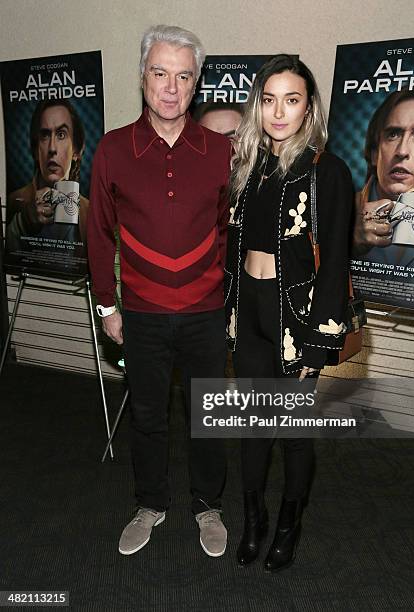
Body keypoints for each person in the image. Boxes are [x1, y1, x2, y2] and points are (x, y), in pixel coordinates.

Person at [87, 25, 231, 558]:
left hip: (206, 312)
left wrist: (227, 304)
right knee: (147, 416)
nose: (171, 88)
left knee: (206, 415)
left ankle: (208, 505)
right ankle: (149, 503)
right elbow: (98, 234)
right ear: (143, 76)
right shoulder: (112, 149)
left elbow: (224, 229)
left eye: (184, 76)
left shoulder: (220, 151)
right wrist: (108, 306)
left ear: (196, 83)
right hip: (141, 315)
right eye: (160, 73)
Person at [225, 54, 353, 572]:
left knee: (295, 430)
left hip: (297, 317)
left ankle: (287, 524)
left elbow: (336, 262)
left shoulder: (329, 172)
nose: (279, 111)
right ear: (259, 105)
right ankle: (252, 519)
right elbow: (232, 249)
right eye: (269, 99)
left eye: (292, 99)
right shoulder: (247, 165)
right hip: (249, 314)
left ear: (309, 108)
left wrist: (319, 344)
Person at [353, 90, 414, 271]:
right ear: (374, 153)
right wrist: (344, 240)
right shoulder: (339, 211)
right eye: (393, 134)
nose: (402, 151)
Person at [6, 99, 88, 252]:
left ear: (77, 150)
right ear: (35, 149)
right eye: (44, 136)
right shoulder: (13, 202)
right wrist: (22, 223)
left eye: (61, 135)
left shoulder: (90, 212)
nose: (52, 148)